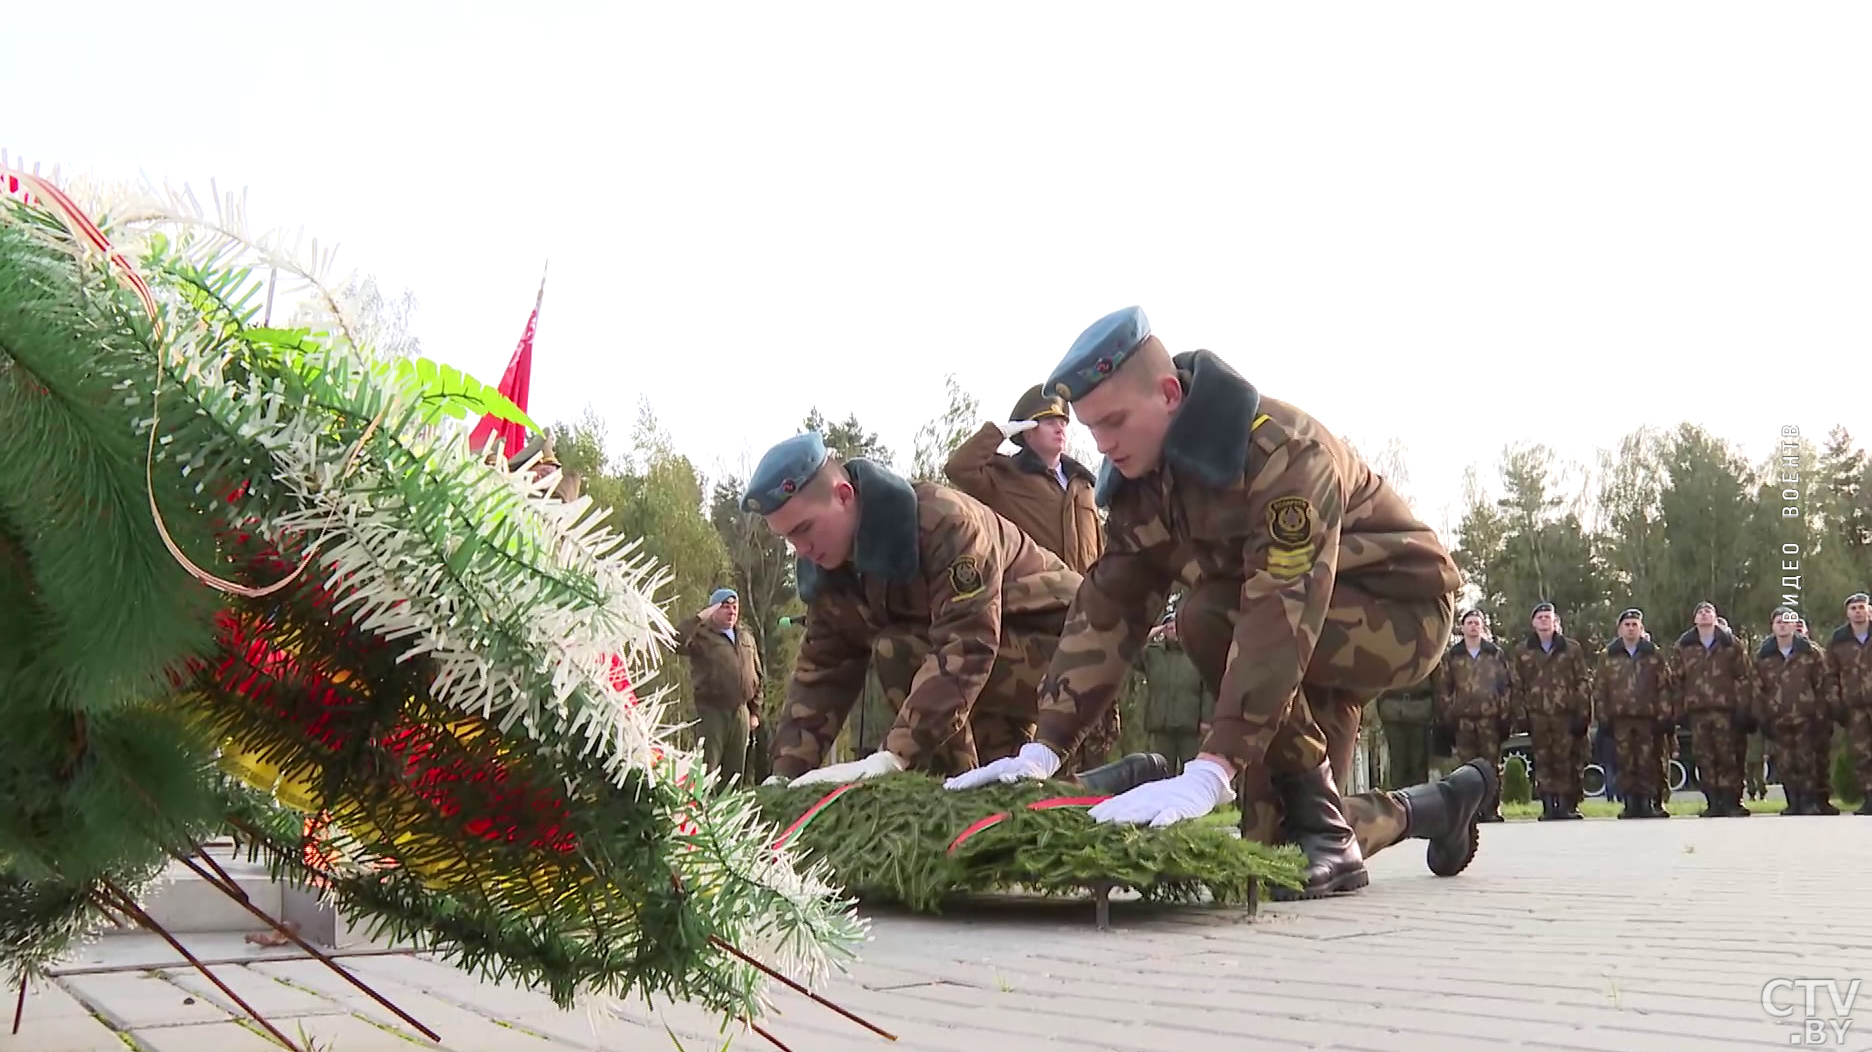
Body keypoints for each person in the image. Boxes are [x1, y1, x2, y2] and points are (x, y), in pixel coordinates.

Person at [943, 306, 1495, 900]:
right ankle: (1436, 807)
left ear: (1169, 393)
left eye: (1115, 421)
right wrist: (1044, 744)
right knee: (1279, 838)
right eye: (1091, 428)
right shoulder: (1143, 482)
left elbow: (1279, 606)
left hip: (1397, 611)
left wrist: (1216, 764)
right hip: (1289, 627)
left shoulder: (1282, 450)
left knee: (1207, 616)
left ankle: (1330, 834)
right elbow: (1110, 607)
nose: (1102, 444)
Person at [742, 432, 1143, 791]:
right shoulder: (831, 570)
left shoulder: (945, 523)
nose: (800, 548)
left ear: (844, 496)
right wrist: (785, 776)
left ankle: (949, 797)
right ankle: (1127, 778)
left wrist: (894, 756)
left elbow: (968, 644)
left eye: (803, 529)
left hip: (1072, 659)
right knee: (1010, 795)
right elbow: (822, 672)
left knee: (899, 649)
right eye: (787, 537)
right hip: (993, 675)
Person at [943, 384, 1119, 770]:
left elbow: (1102, 553)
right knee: (1020, 726)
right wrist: (1001, 432)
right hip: (1027, 617)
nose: (1060, 428)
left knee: (1086, 728)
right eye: (1047, 421)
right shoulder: (1003, 475)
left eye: (1063, 421)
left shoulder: (1084, 485)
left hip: (1083, 617)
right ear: (1026, 430)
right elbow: (958, 468)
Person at [1670, 601, 1755, 817]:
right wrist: (1680, 711)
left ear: (1716, 618)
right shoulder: (1683, 647)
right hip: (1698, 711)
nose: (1704, 614)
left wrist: (1744, 708)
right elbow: (1677, 681)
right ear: (1695, 619)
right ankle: (1713, 802)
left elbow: (1744, 677)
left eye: (1709, 611)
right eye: (1700, 611)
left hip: (1726, 710)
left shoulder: (1731, 644)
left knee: (1729, 756)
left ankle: (1732, 801)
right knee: (1705, 758)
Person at [1509, 602, 1592, 820]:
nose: (1544, 621)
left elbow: (1582, 681)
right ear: (1533, 623)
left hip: (1565, 713)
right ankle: (1548, 805)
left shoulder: (1571, 648)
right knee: (1543, 760)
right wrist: (1521, 715)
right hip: (1537, 714)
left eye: (1548, 617)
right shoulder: (1523, 650)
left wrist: (1583, 713)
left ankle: (1566, 805)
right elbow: (1517, 685)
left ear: (1555, 622)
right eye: (1540, 618)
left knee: (1566, 759)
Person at [671, 588, 763, 782]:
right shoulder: (701, 635)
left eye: (735, 607)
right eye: (725, 607)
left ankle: (730, 809)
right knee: (706, 770)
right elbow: (674, 641)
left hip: (741, 713)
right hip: (711, 712)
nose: (732, 611)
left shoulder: (745, 637)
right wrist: (699, 618)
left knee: (735, 774)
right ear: (713, 610)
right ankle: (700, 809)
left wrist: (754, 711)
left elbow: (756, 674)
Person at [1593, 608, 1676, 819]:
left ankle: (1649, 802)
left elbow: (1664, 686)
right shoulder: (1608, 656)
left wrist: (1665, 716)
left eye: (1635, 625)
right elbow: (1600, 689)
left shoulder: (1653, 654)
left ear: (1641, 629)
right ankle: (1630, 802)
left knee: (1648, 761)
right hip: (1620, 719)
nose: (1631, 629)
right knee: (1625, 761)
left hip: (1648, 718)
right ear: (1620, 629)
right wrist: (1603, 718)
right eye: (1627, 625)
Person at [1434, 610, 1511, 821]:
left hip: (1490, 719)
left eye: (1477, 622)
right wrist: (1450, 712)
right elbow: (1444, 688)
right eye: (1469, 623)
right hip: (1463, 720)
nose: (1473, 626)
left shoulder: (1494, 653)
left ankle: (1492, 809)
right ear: (1462, 627)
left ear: (1483, 627)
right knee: (1467, 768)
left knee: (1491, 765)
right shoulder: (1453, 655)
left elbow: (1505, 686)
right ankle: (1470, 811)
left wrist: (1504, 714)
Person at [1756, 607, 1833, 815]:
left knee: (1806, 761)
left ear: (1794, 625)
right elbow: (1758, 689)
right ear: (1772, 626)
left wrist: (1821, 714)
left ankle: (1809, 802)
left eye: (1787, 621)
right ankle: (1793, 802)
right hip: (1778, 718)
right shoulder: (1764, 656)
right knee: (1785, 763)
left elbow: (1822, 685)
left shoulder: (1811, 652)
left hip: (1806, 716)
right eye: (1778, 621)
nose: (1782, 624)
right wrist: (1763, 717)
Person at [1136, 610, 1212, 772]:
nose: (1173, 628)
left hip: (1190, 726)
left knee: (1191, 772)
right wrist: (1150, 633)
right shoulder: (1153, 654)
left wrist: (1207, 719)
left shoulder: (1197, 653)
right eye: (1169, 626)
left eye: (1177, 625)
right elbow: (1130, 652)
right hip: (1161, 726)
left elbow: (1208, 688)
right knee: (1160, 772)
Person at [1822, 591, 1872, 815]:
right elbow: (1830, 674)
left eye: (1862, 607)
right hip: (1854, 706)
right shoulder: (1838, 641)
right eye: (1854, 608)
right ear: (1847, 613)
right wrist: (1836, 703)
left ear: (1869, 610)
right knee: (1861, 753)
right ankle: (1869, 796)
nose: (1858, 611)